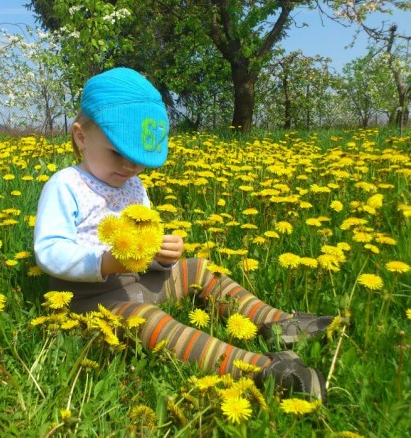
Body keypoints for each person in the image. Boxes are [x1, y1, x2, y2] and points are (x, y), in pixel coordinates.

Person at [34, 67, 333, 403]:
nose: (130, 167)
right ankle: (260, 370)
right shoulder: (66, 185)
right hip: (89, 299)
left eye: (138, 159)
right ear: (81, 136)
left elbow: (149, 234)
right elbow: (49, 250)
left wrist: (164, 256)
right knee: (147, 321)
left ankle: (276, 323)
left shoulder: (133, 184)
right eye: (118, 153)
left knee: (197, 267)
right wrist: (103, 262)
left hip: (139, 280)